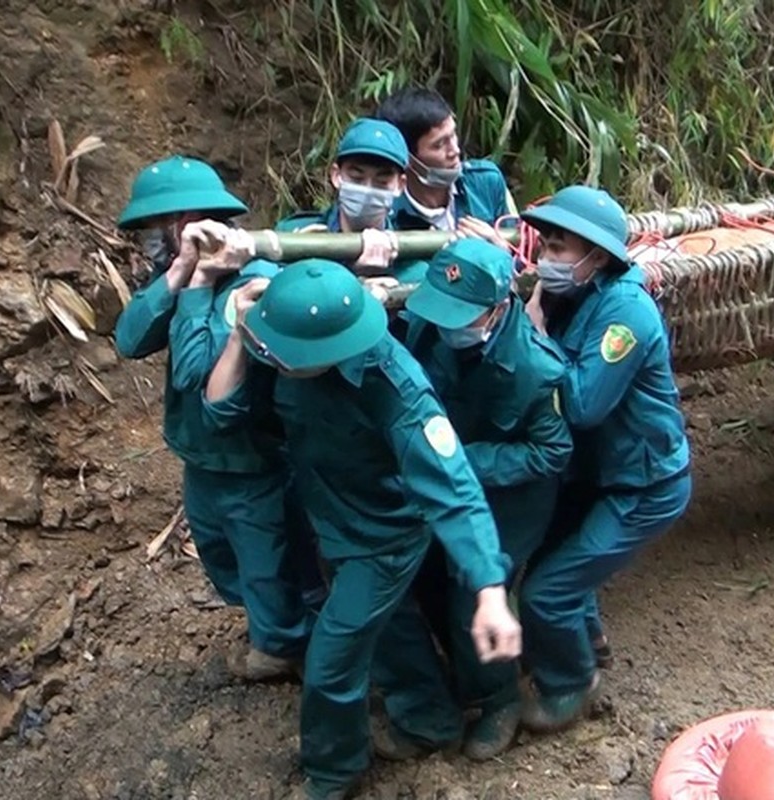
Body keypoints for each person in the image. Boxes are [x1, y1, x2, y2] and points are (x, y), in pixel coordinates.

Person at [202, 260, 521, 800]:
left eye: (283, 359)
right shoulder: (279, 341)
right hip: (331, 519)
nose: (273, 363)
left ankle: (333, 774)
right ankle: (429, 722)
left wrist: (490, 591)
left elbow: (456, 489)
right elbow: (219, 412)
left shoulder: (395, 389)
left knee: (331, 662)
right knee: (390, 633)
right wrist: (239, 332)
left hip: (384, 539)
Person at [372, 239, 572, 762]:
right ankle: (460, 674)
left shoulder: (536, 369)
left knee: (474, 591)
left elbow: (550, 453)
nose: (447, 324)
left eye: (463, 314)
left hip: (511, 499)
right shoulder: (426, 326)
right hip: (443, 484)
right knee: (431, 576)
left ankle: (499, 697)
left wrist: (461, 461)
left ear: (499, 308)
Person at [114, 156, 313, 680]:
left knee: (264, 560)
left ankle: (281, 648)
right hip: (201, 458)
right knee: (221, 554)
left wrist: (200, 284)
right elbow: (131, 338)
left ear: (188, 221)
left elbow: (197, 374)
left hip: (251, 462)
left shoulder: (251, 283)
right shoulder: (179, 277)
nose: (150, 242)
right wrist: (180, 274)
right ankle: (274, 626)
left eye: (157, 230)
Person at [516, 186, 692, 732]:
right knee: (552, 555)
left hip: (644, 485)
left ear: (598, 256)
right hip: (602, 472)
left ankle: (571, 684)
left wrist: (536, 338)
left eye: (560, 247)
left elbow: (584, 403)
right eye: (545, 244)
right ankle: (587, 639)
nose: (547, 258)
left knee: (546, 591)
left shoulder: (625, 314)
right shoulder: (580, 295)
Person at [276, 117, 431, 285]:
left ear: (400, 185)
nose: (367, 190)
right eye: (357, 178)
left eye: (381, 182)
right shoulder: (294, 235)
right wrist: (353, 276)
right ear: (336, 176)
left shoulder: (413, 253)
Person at [376, 86, 516, 240]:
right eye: (439, 145)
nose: (455, 150)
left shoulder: (484, 182)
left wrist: (500, 249)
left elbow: (522, 253)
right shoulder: (385, 209)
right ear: (407, 158)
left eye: (453, 135)